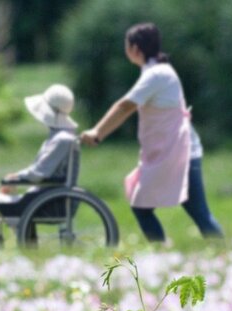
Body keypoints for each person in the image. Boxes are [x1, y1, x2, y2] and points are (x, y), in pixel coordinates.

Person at [80, 22, 223, 242]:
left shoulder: (156, 75)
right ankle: (172, 253)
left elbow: (125, 106)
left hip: (181, 154)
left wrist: (97, 132)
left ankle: (176, 252)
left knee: (188, 211)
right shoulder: (157, 72)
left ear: (135, 49)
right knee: (154, 206)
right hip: (176, 152)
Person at [0, 84, 78, 245]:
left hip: (47, 201)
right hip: (52, 197)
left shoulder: (60, 139)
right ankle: (25, 245)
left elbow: (39, 174)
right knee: (5, 198)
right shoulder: (65, 137)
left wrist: (13, 179)